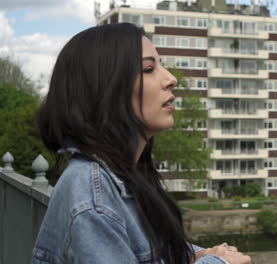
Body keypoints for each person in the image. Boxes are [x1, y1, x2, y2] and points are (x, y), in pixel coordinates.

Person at [32, 22, 251, 264]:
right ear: (105, 88)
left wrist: (192, 255)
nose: (171, 79)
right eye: (149, 69)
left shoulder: (123, 177)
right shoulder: (92, 193)